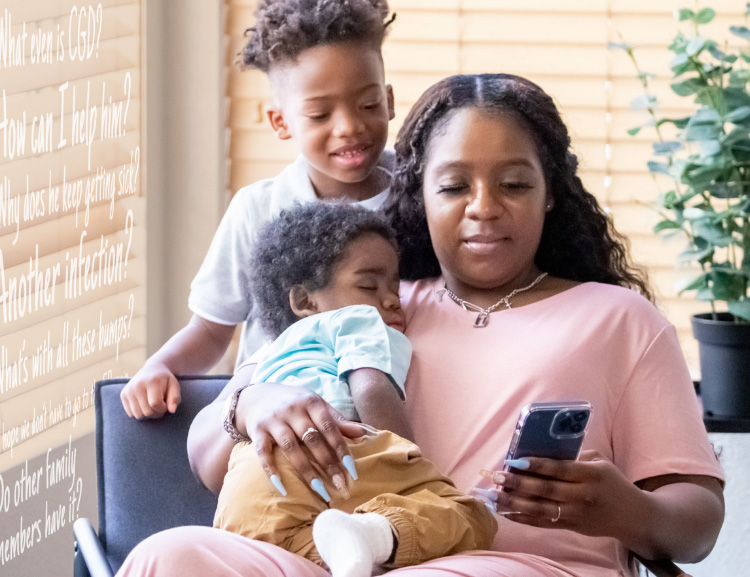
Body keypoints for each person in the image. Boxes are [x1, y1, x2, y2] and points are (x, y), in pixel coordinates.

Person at [117, 74, 724, 577]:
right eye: (454, 185)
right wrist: (251, 403)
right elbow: (204, 458)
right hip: (334, 556)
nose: (483, 206)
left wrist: (628, 512)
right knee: (165, 557)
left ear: (551, 194)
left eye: (514, 184)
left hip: (519, 566)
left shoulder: (620, 320)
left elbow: (697, 522)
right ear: (420, 196)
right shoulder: (367, 303)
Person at [119, 0, 397, 419]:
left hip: (382, 416)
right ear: (280, 122)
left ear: (390, 100)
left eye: (369, 105)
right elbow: (211, 329)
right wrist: (161, 365)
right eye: (320, 114)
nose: (349, 126)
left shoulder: (419, 195)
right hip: (273, 423)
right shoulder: (258, 208)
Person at [214, 202, 496, 577]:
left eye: (395, 285)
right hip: (337, 449)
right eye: (368, 285)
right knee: (471, 517)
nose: (392, 299)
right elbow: (370, 386)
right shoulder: (357, 320)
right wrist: (408, 461)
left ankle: (351, 548)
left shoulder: (272, 350)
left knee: (301, 548)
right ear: (303, 300)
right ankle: (374, 535)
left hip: (252, 479)